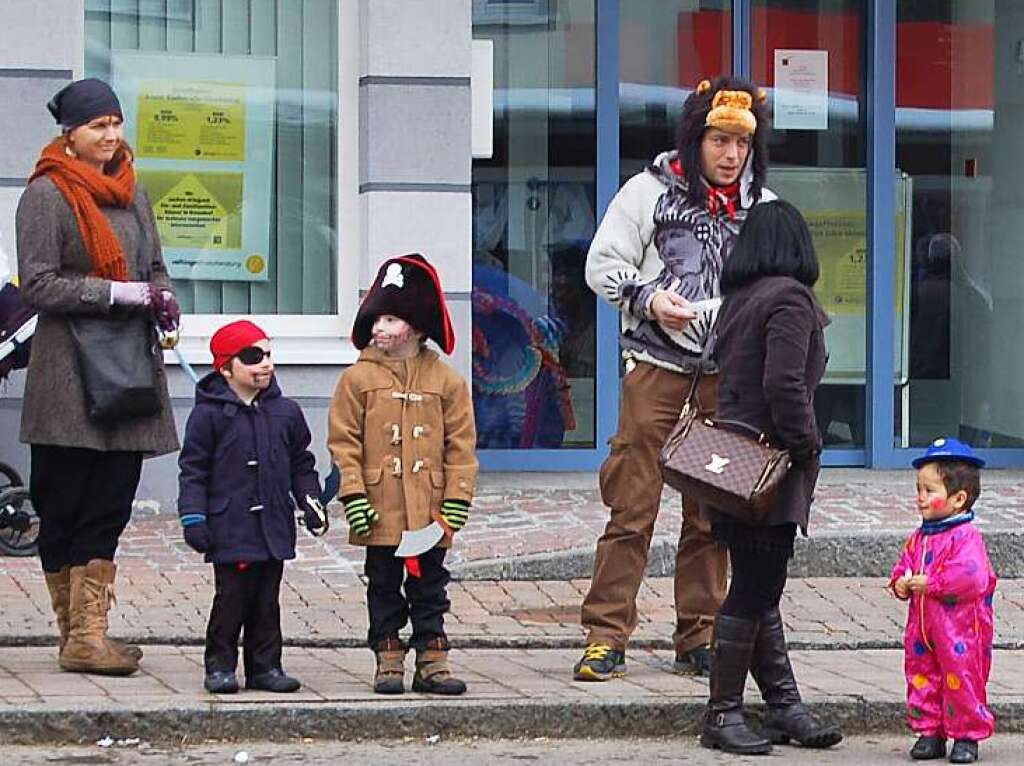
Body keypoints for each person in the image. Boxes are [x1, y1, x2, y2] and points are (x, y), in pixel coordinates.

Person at [575, 76, 776, 681]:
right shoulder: (645, 192)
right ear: (696, 138)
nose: (732, 155)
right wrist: (647, 299)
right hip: (656, 372)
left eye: (743, 144)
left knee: (712, 517)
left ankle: (700, 635)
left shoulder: (763, 207)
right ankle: (606, 635)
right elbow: (600, 265)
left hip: (727, 379)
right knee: (631, 509)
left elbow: (777, 285)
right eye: (720, 140)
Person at [16, 78, 180, 676]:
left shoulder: (134, 194)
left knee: (110, 503)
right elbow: (37, 283)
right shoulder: (46, 195)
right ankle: (77, 635)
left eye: (115, 123)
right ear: (71, 134)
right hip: (68, 375)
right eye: (97, 126)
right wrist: (115, 292)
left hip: (129, 372)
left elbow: (155, 267)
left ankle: (88, 635)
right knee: (61, 505)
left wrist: (161, 298)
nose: (110, 136)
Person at [697, 200, 842, 754]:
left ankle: (784, 707)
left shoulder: (740, 300)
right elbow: (784, 387)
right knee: (756, 589)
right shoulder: (789, 299)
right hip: (768, 467)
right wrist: (807, 444)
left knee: (760, 588)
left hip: (732, 466)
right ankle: (723, 714)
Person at [328, 254, 478, 695]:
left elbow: (461, 445)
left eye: (389, 318)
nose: (378, 328)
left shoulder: (448, 382)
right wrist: (353, 495)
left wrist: (457, 498)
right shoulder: (358, 380)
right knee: (383, 584)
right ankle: (387, 656)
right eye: (375, 318)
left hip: (431, 512)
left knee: (430, 585)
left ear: (415, 325)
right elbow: (344, 443)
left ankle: (432, 660)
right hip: (381, 510)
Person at [177, 320, 327, 694]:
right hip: (230, 524)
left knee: (266, 599)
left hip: (273, 522)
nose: (265, 364)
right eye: (252, 356)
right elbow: (193, 469)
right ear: (226, 367)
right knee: (231, 599)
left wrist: (310, 500)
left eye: (268, 354)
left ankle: (265, 666)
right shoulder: (208, 415)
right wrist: (193, 516)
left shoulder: (286, 413)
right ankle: (220, 665)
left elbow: (301, 463)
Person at [889, 437, 995, 764]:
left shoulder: (965, 537)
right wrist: (901, 583)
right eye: (919, 489)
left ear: (958, 498)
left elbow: (972, 577)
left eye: (929, 490)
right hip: (922, 628)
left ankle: (966, 734)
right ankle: (929, 730)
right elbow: (905, 564)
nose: (920, 497)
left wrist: (931, 583)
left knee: (960, 677)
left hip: (959, 631)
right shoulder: (921, 536)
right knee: (921, 675)